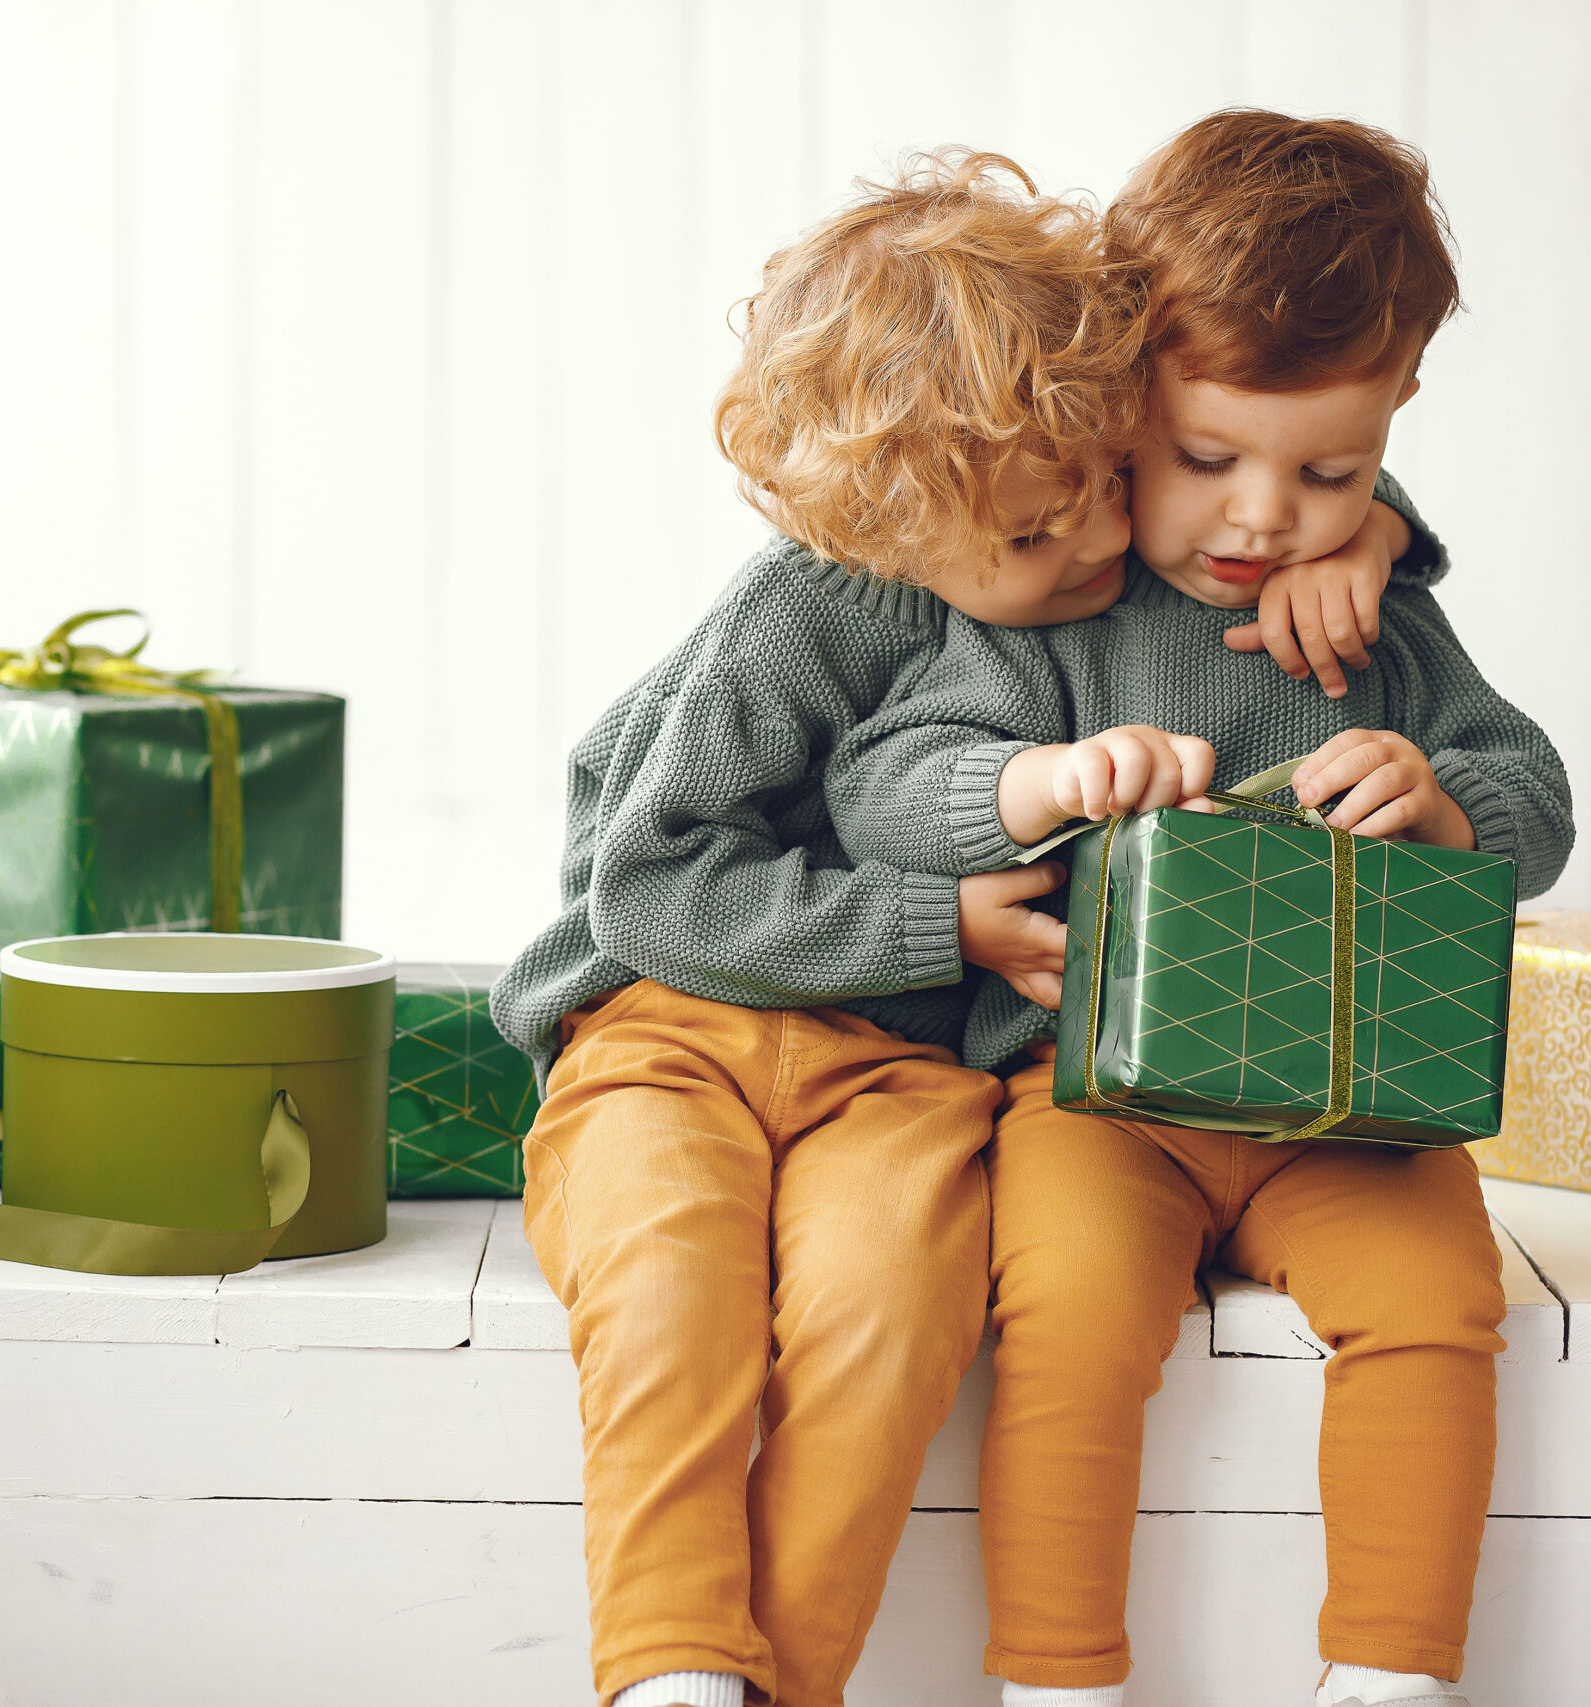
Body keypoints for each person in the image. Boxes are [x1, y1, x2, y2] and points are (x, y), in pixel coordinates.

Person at [491, 146, 1428, 1707]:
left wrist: (1373, 534)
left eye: (1096, 491)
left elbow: (1270, 438)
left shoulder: (1068, 526)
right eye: (1033, 534)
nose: (1092, 549)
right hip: (667, 1023)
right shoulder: (807, 603)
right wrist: (941, 926)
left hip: (901, 1074)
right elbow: (648, 892)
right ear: (886, 532)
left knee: (889, 1322)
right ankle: (666, 1666)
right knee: (674, 1294)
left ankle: (776, 1685)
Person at [822, 111, 1574, 1707]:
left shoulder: (1374, 612)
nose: (1260, 518)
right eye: (1206, 459)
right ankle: (1058, 1676)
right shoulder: (1054, 587)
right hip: (1091, 1095)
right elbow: (879, 784)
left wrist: (1446, 808)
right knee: (1069, 1324)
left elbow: (1530, 785)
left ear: (1399, 420)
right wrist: (1035, 779)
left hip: (1351, 1102)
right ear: (1124, 397)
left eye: (1333, 472)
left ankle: (1390, 1673)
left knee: (1440, 1307)